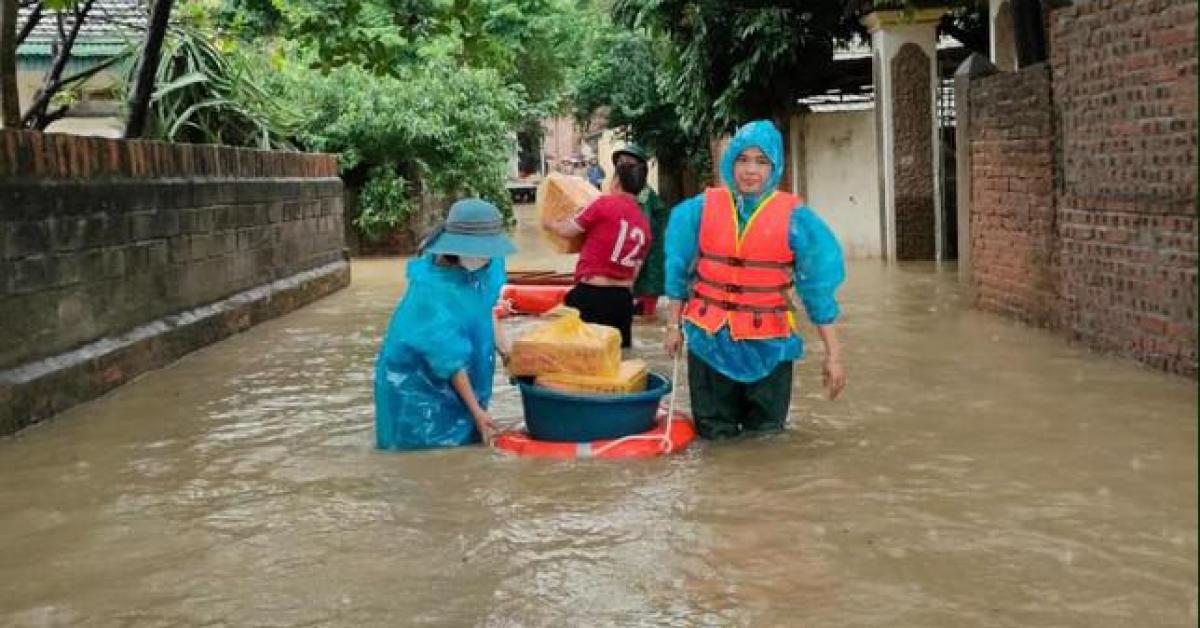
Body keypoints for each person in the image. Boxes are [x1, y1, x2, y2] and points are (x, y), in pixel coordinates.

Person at [662, 120, 847, 440]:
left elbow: (818, 292)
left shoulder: (797, 220)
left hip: (770, 346)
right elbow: (677, 270)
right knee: (713, 437)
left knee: (766, 439)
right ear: (730, 162)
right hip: (709, 342)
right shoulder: (699, 210)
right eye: (743, 159)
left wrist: (833, 355)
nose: (751, 170)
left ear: (775, 168)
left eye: (762, 162)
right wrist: (672, 326)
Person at [374, 198, 515, 450]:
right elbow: (450, 363)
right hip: (415, 385)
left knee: (469, 442)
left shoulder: (483, 269)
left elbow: (485, 310)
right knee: (427, 452)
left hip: (460, 374)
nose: (488, 257)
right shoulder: (431, 292)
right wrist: (477, 412)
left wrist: (506, 351)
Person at [542, 151, 652, 348]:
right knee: (614, 363)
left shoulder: (603, 205)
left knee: (578, 357)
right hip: (623, 302)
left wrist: (549, 223)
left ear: (616, 181)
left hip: (592, 295)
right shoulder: (644, 225)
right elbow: (634, 273)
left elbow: (566, 231)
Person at [612, 144, 670, 319]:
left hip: (649, 257)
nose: (624, 169)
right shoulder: (634, 193)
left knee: (647, 309)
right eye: (621, 164)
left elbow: (640, 230)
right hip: (642, 256)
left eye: (629, 164)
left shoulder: (644, 196)